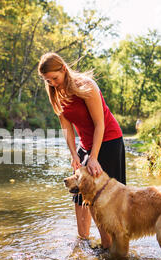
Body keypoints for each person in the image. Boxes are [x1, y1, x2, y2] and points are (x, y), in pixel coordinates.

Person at [38, 52, 126, 248]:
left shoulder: (86, 86)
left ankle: (109, 247)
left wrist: (94, 157)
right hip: (85, 145)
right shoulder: (55, 93)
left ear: (63, 69)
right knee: (80, 194)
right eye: (47, 80)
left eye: (54, 78)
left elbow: (99, 124)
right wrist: (74, 155)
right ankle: (83, 242)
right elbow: (67, 128)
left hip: (109, 141)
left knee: (104, 198)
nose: (52, 83)